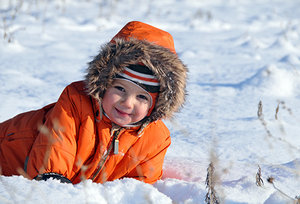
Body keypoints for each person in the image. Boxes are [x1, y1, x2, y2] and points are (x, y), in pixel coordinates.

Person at [0, 21, 188, 184]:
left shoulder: (156, 139)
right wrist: (53, 180)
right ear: (104, 84)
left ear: (157, 103)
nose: (127, 103)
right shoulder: (75, 103)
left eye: (142, 97)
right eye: (120, 89)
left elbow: (139, 189)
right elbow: (53, 158)